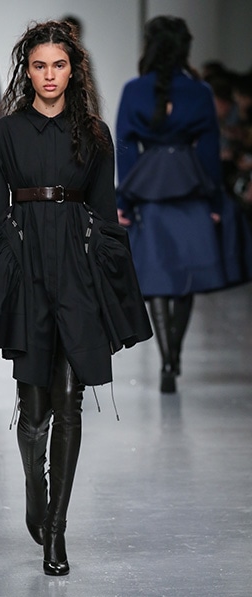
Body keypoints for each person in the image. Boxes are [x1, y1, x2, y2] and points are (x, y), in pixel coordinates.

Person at [0, 20, 152, 575]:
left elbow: (105, 216)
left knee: (69, 399)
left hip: (78, 270)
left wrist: (108, 281)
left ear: (73, 70)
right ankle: (34, 492)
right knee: (34, 407)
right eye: (39, 66)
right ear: (27, 71)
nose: (50, 75)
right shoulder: (4, 134)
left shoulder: (95, 134)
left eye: (59, 65)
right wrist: (3, 279)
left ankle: (56, 530)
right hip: (28, 269)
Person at [115, 16, 230, 394]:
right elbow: (209, 149)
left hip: (149, 188)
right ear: (185, 48)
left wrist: (124, 198)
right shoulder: (199, 91)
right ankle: (173, 356)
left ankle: (166, 357)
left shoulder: (134, 90)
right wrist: (214, 198)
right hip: (189, 186)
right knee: (185, 277)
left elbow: (125, 148)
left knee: (157, 277)